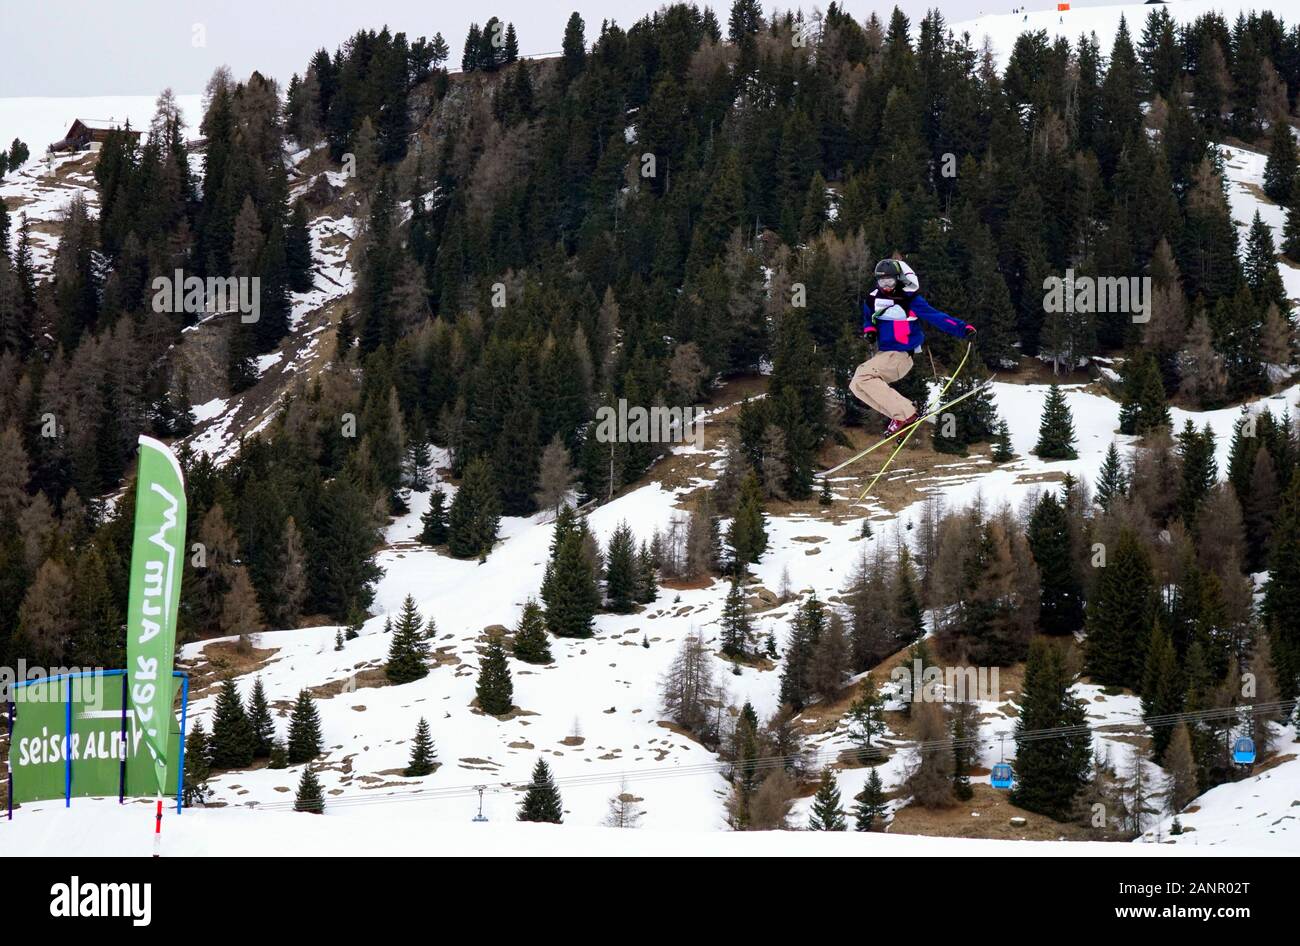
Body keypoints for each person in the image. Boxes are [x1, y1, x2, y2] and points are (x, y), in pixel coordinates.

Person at [849, 259, 976, 434]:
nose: (886, 286)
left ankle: (906, 412)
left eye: (890, 281)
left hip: (901, 355)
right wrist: (870, 330)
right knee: (856, 385)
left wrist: (962, 328)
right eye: (882, 282)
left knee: (863, 376)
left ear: (897, 279)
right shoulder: (872, 299)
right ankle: (899, 416)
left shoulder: (909, 299)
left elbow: (936, 316)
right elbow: (867, 318)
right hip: (885, 354)